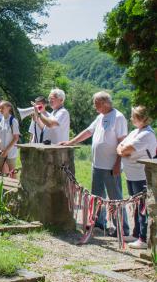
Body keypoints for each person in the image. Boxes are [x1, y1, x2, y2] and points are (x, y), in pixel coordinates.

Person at [60, 91, 130, 238]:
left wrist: (118, 163)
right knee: (97, 196)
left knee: (115, 198)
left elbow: (123, 142)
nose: (94, 106)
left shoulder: (118, 117)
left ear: (105, 102)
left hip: (111, 166)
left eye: (96, 103)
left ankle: (122, 228)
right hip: (97, 165)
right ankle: (99, 223)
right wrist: (71, 142)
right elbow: (88, 132)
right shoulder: (100, 117)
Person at [117, 106, 156, 249]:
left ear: (142, 118)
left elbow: (125, 149)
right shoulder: (135, 132)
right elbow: (120, 146)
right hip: (131, 175)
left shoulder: (147, 134)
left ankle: (143, 238)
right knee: (134, 206)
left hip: (141, 176)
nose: (131, 119)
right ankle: (135, 233)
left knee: (142, 207)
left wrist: (124, 151)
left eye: (133, 116)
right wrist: (123, 151)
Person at [0, 101, 20, 178]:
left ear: (9, 108)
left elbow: (16, 137)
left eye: (2, 107)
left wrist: (6, 150)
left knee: (12, 172)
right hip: (1, 151)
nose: (0, 109)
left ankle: (14, 188)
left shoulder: (13, 121)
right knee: (0, 172)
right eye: (0, 108)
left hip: (11, 151)